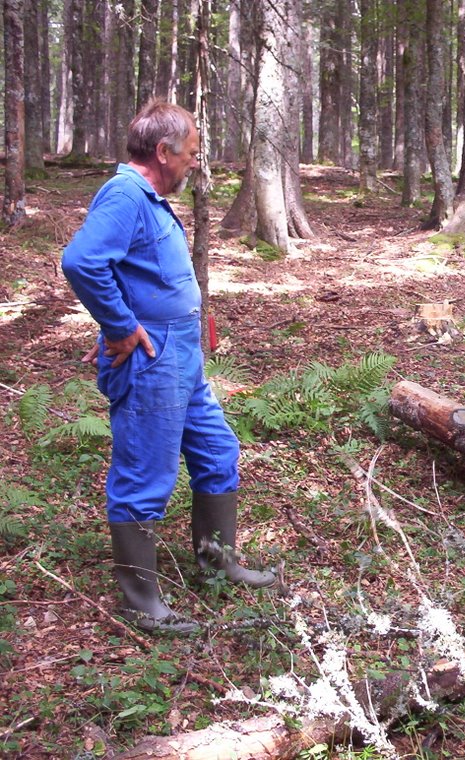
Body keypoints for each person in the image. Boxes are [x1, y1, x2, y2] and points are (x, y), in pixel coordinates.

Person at [61, 101, 276, 635]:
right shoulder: (125, 195)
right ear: (163, 152)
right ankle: (140, 603)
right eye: (192, 154)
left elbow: (143, 274)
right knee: (146, 475)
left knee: (218, 450)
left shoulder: (151, 198)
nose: (195, 163)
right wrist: (118, 327)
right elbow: (81, 261)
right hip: (153, 360)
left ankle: (217, 562)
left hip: (181, 353)